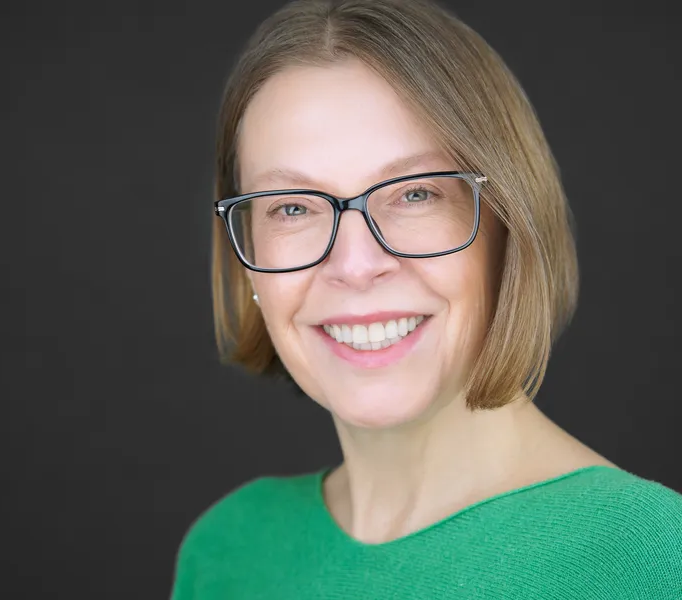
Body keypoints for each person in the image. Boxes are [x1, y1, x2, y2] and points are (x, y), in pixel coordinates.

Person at [171, 0, 682, 597]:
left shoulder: (648, 558)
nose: (356, 267)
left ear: (507, 224)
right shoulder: (230, 552)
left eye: (415, 194)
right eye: (292, 208)